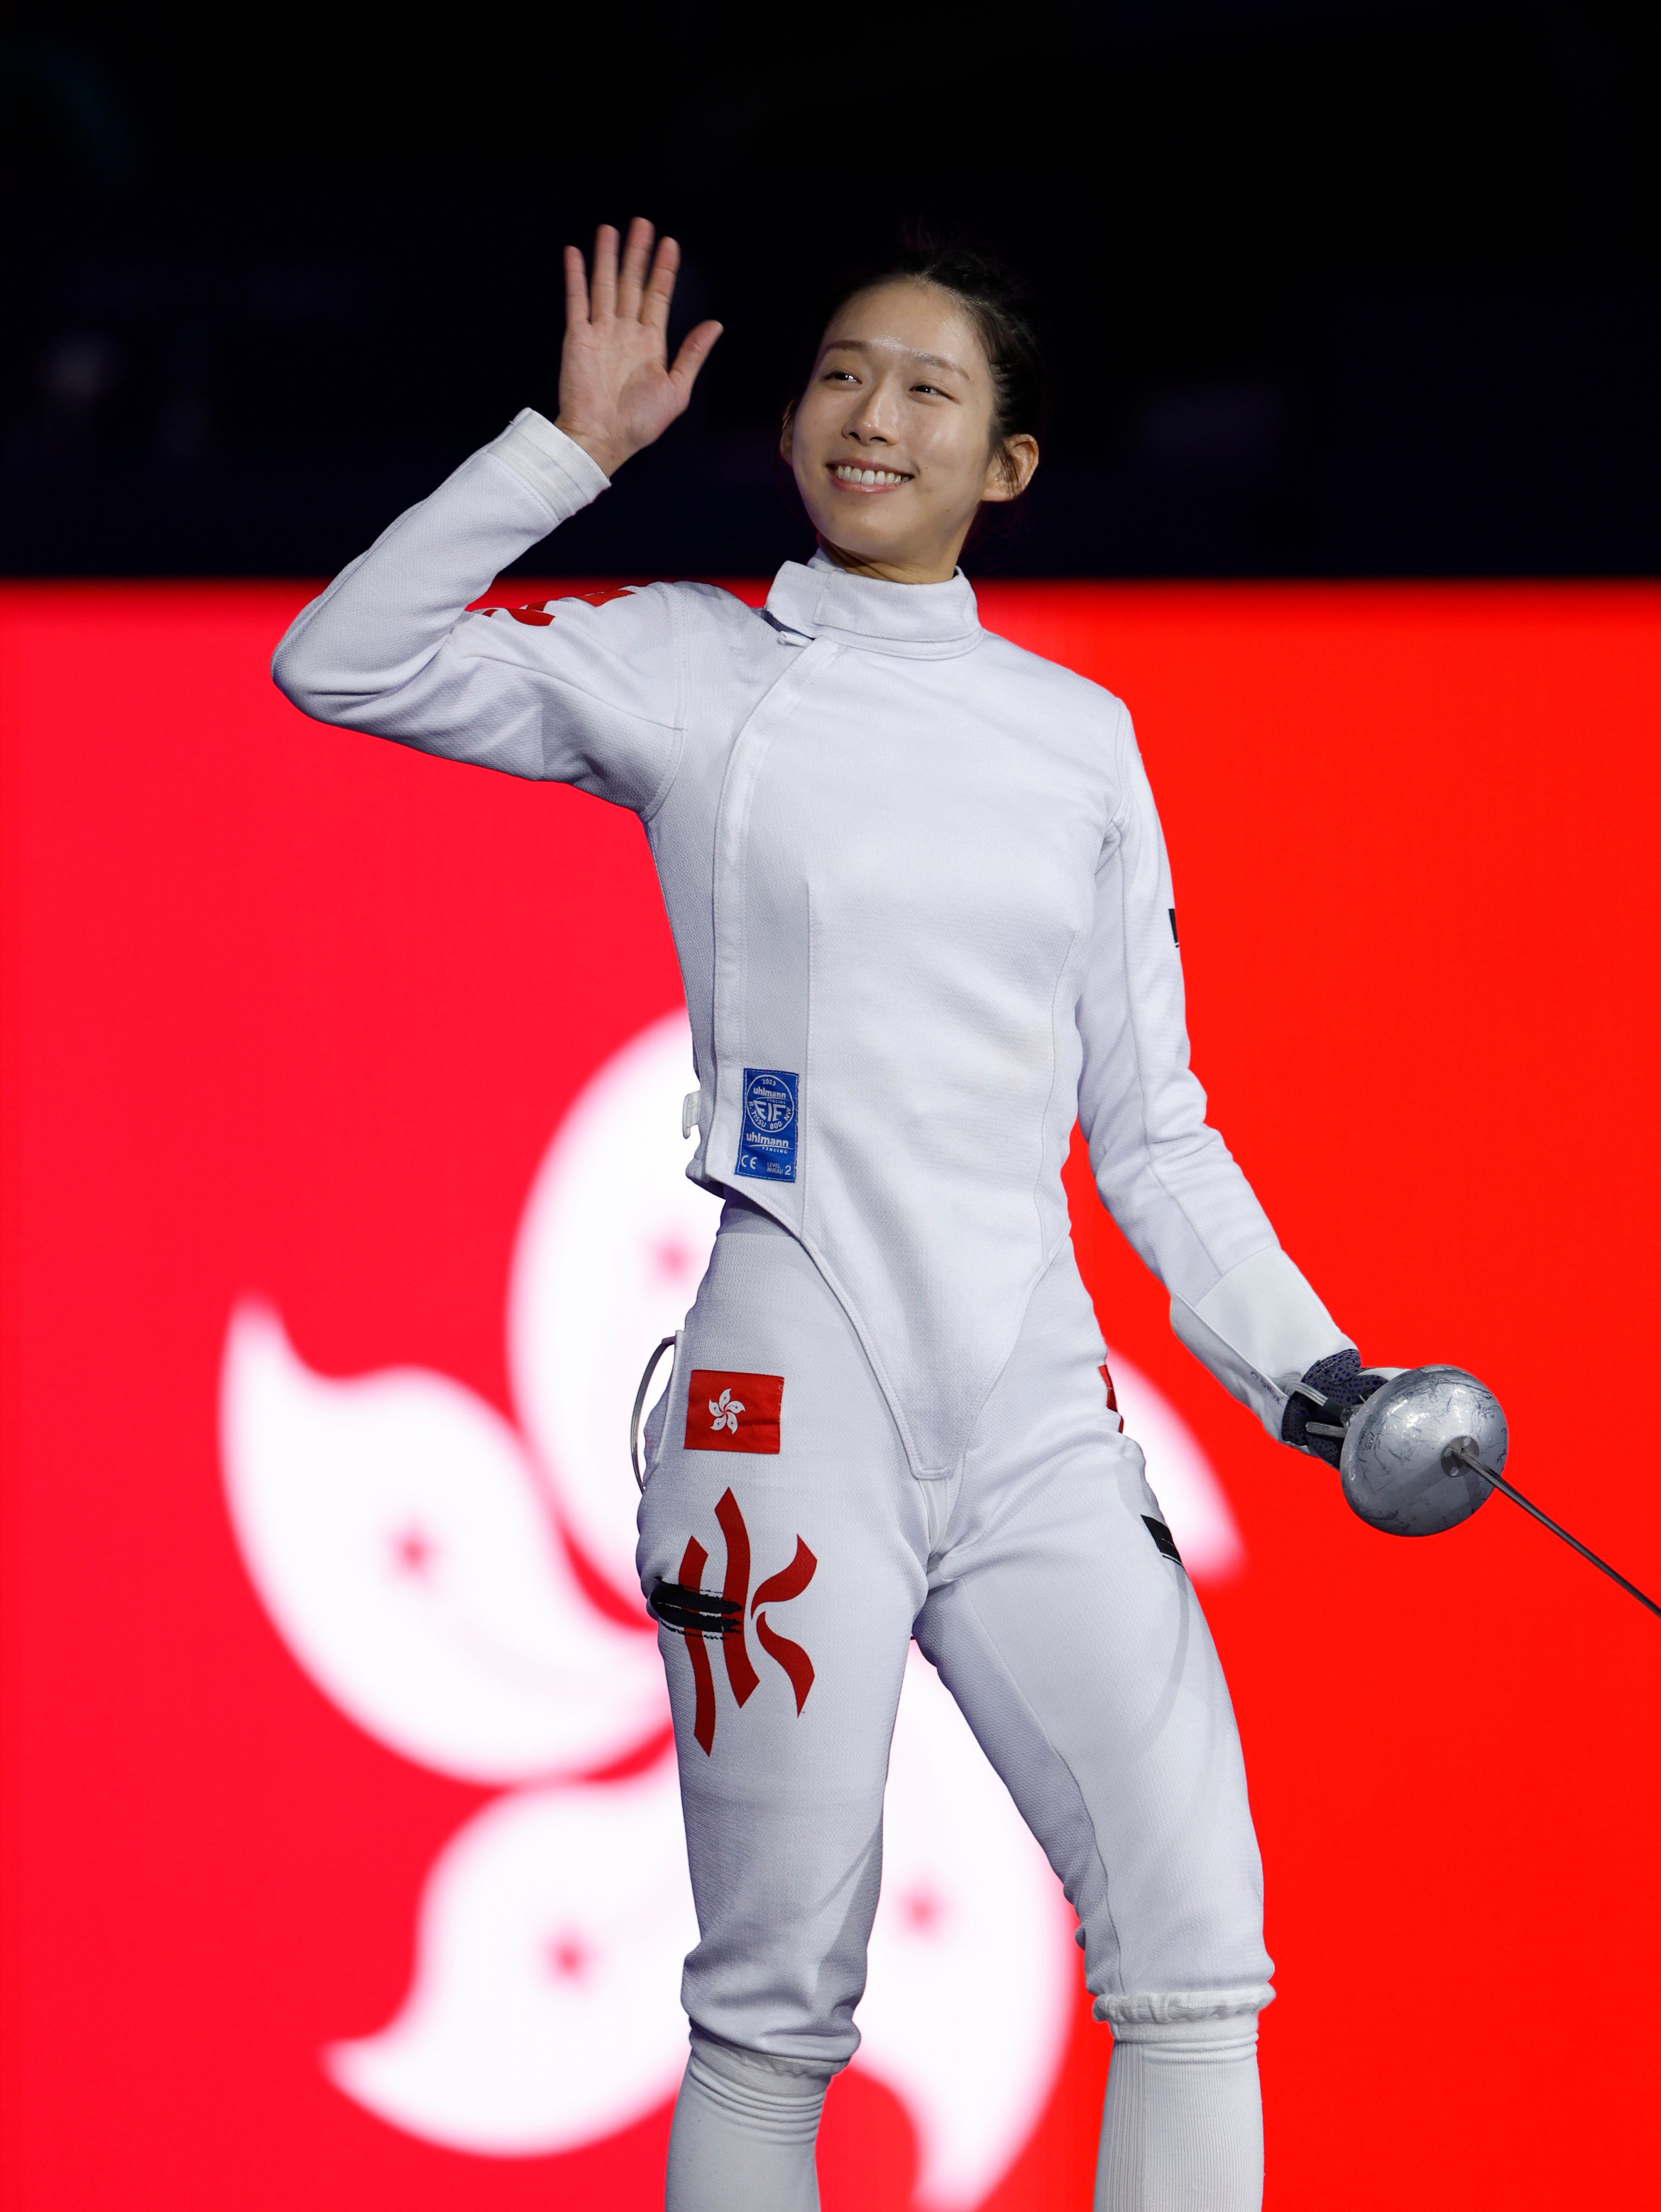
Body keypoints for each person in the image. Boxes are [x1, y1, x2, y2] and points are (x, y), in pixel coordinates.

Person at [272, 218, 1388, 2212]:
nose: (872, 415)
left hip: (1042, 1415)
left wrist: (1317, 1378)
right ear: (792, 424)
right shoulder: (698, 666)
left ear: (1009, 465)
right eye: (843, 378)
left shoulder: (1075, 740)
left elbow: (1151, 1139)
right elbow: (337, 659)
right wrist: (563, 453)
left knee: (1199, 1957)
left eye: (928, 388)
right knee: (774, 2009)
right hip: (786, 1420)